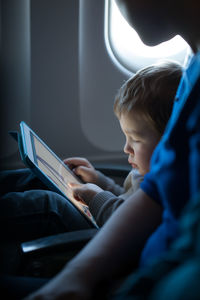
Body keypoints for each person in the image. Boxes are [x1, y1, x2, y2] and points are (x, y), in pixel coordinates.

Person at [22, 0, 200, 299]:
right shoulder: (192, 70)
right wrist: (101, 181)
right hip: (133, 263)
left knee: (45, 204)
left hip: (142, 270)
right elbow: (154, 192)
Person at [65, 60, 182, 227]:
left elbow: (128, 222)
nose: (126, 148)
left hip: (100, 232)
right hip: (104, 218)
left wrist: (96, 197)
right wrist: (99, 181)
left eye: (136, 140)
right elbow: (127, 197)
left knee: (50, 203)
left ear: (168, 141)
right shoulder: (143, 173)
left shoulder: (166, 188)